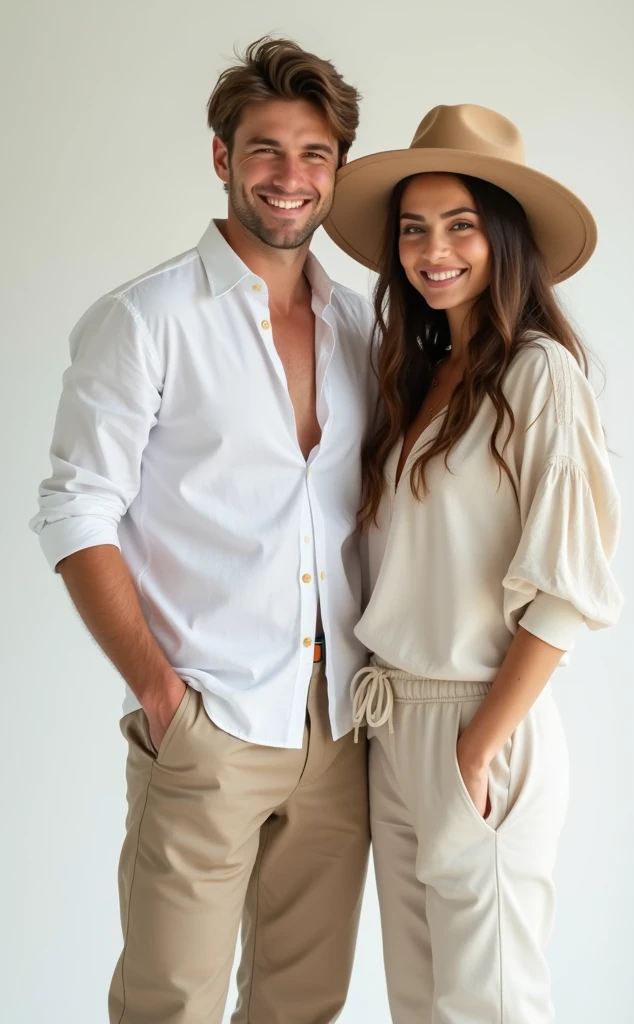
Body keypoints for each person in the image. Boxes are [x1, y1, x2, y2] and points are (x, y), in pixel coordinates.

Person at [30, 37, 374, 1024]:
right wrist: (160, 694)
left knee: (301, 1002)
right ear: (221, 158)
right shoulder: (146, 320)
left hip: (340, 725)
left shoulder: (362, 329)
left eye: (313, 155)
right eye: (265, 149)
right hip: (208, 722)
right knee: (166, 1004)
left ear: (338, 170)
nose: (290, 177)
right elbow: (76, 509)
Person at [324, 103, 623, 1023]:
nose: (431, 249)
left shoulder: (540, 376)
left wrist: (478, 744)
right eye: (413, 229)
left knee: (488, 1006)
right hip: (391, 721)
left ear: (504, 237)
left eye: (459, 225)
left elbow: (568, 593)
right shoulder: (413, 377)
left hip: (481, 718)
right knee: (421, 1004)